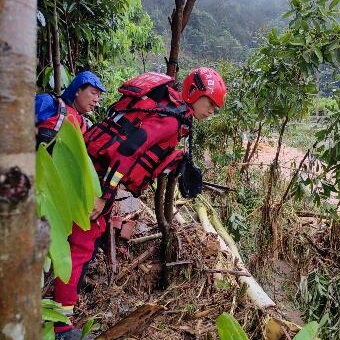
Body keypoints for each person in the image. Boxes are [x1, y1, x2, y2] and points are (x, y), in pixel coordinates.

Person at [54, 67, 227, 339]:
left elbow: (147, 154)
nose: (212, 112)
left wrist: (177, 161)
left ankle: (62, 308)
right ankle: (61, 328)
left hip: (98, 173)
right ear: (195, 95)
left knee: (88, 241)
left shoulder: (174, 114)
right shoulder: (171, 120)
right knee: (81, 245)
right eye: (210, 104)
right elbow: (127, 152)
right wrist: (104, 196)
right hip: (96, 179)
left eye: (216, 108)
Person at [35, 71, 106, 148]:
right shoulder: (47, 102)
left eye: (98, 96)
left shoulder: (86, 126)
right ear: (78, 91)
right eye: (93, 93)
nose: (96, 99)